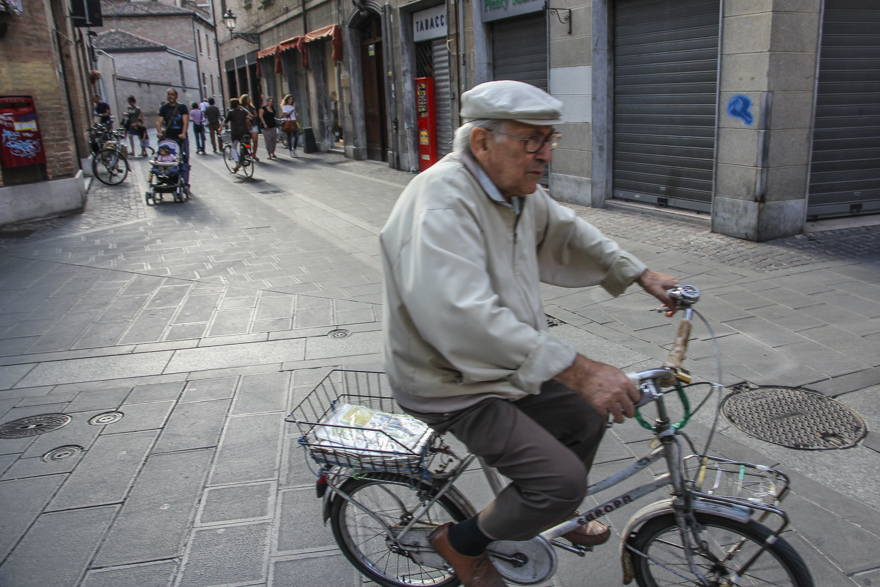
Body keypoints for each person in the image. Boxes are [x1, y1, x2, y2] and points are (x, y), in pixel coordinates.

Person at [379, 80, 679, 587]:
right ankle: (461, 543)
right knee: (560, 482)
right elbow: (462, 317)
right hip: (451, 380)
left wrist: (639, 273)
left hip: (502, 360)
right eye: (531, 140)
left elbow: (568, 230)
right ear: (482, 142)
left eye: (549, 139)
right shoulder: (442, 203)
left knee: (586, 416)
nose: (545, 154)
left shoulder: (513, 190)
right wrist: (580, 371)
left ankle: (539, 510)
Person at [156, 88, 190, 187]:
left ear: (176, 96)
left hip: (181, 138)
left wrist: (183, 133)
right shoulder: (164, 108)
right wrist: (159, 132)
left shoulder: (182, 107)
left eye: (172, 94)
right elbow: (158, 122)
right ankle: (170, 178)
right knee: (168, 158)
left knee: (184, 159)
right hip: (169, 138)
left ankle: (185, 183)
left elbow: (185, 121)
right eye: (169, 94)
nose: (170, 96)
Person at [219, 97, 252, 173]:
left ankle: (237, 163)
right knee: (245, 144)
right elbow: (250, 116)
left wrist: (220, 128)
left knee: (234, 148)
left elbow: (225, 122)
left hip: (236, 133)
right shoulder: (242, 111)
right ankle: (247, 154)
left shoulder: (231, 112)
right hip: (245, 131)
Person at [240, 94, 260, 162]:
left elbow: (256, 115)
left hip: (253, 124)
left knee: (255, 140)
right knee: (248, 142)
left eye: (249, 99)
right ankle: (249, 154)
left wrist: (252, 116)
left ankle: (254, 154)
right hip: (246, 125)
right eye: (248, 99)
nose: (249, 100)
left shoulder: (252, 107)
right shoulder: (241, 108)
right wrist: (246, 117)